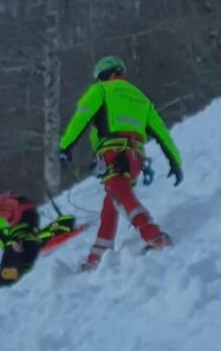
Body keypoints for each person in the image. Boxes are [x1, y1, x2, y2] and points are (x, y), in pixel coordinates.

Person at [58, 56, 183, 270]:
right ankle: (98, 256)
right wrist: (175, 162)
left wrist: (65, 147)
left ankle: (154, 235)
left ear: (102, 76)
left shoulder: (101, 90)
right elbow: (162, 133)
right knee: (113, 200)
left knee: (119, 195)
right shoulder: (141, 98)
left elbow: (81, 118)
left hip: (113, 153)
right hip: (136, 158)